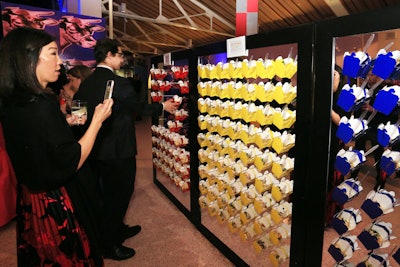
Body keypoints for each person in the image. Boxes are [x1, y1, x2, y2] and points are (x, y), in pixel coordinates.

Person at [0, 27, 113, 266]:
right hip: (56, 202)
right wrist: (97, 122)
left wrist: (64, 122)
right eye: (52, 53)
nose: (59, 61)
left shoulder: (14, 102)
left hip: (32, 198)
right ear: (29, 57)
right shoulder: (41, 106)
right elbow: (71, 160)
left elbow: (38, 140)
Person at [74, 38, 180, 260]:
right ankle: (109, 244)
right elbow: (139, 107)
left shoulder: (86, 82)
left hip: (93, 148)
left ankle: (117, 229)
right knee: (120, 195)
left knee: (105, 194)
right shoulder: (118, 83)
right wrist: (163, 106)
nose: (123, 60)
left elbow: (79, 114)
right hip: (118, 150)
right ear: (109, 55)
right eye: (120, 55)